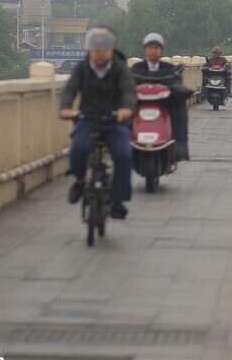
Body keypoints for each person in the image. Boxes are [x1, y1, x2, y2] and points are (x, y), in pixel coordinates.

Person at [58, 26, 135, 219]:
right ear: (89, 49)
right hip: (88, 119)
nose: (99, 54)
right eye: (95, 49)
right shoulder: (82, 68)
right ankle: (78, 181)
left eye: (103, 50)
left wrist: (126, 108)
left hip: (114, 120)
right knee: (78, 149)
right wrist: (66, 107)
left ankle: (117, 200)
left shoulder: (119, 68)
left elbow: (129, 91)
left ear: (110, 50)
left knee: (124, 155)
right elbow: (70, 90)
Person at [131, 32, 192, 161]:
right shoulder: (137, 68)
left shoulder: (169, 69)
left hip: (163, 103)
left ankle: (179, 146)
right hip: (141, 104)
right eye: (150, 48)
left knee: (180, 108)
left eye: (156, 48)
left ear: (161, 50)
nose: (153, 51)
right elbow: (129, 85)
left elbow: (175, 83)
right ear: (145, 50)